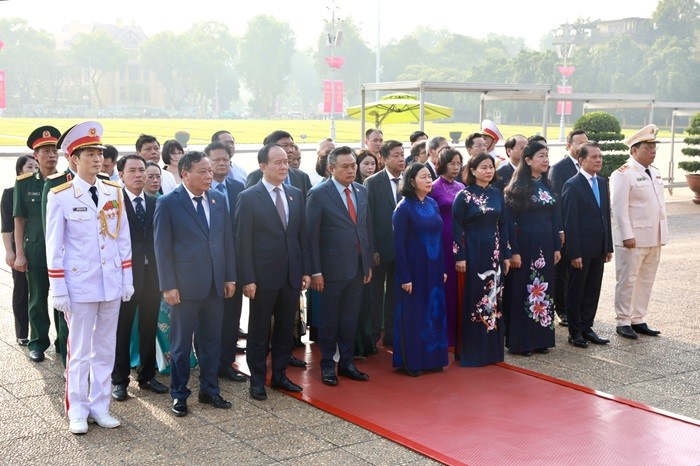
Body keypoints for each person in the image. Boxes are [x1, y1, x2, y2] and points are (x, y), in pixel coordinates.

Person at [45, 121, 134, 434]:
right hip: (79, 284)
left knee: (105, 348)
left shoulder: (114, 191)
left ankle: (100, 405)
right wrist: (58, 288)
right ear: (74, 159)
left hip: (110, 282)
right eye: (90, 153)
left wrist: (127, 279)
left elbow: (122, 239)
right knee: (80, 350)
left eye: (99, 152)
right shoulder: (61, 196)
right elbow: (54, 247)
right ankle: (78, 410)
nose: (98, 159)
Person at [154, 151, 237, 417]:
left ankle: (209, 390)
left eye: (210, 171)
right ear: (185, 173)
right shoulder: (168, 202)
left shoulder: (218, 199)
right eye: (202, 171)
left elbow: (226, 242)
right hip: (185, 288)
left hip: (214, 285)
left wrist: (229, 276)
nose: (209, 176)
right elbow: (162, 248)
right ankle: (179, 394)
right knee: (180, 346)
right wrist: (168, 285)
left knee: (212, 341)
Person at [234, 143, 311, 401]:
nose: (283, 166)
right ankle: (257, 380)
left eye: (286, 161)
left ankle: (279, 374)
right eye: (277, 162)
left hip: (290, 276)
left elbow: (301, 236)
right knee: (258, 332)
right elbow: (242, 242)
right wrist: (248, 278)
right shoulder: (248, 197)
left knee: (284, 331)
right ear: (262, 166)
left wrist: (305, 271)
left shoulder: (295, 194)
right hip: (262, 278)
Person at [306, 146, 373, 386]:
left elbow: (365, 228)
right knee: (330, 319)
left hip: (357, 267)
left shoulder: (361, 191)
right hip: (330, 270)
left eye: (353, 165)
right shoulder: (319, 194)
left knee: (349, 318)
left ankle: (346, 362)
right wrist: (315, 271)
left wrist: (367, 263)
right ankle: (327, 365)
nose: (350, 170)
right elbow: (311, 236)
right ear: (331, 168)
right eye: (344, 166)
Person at [111, 154, 168, 402]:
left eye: (142, 170)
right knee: (122, 329)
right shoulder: (113, 204)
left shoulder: (157, 203)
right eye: (132, 170)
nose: (138, 175)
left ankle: (146, 375)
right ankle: (119, 380)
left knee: (148, 325)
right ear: (120, 174)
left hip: (152, 275)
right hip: (124, 276)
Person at [453, 153, 511, 366]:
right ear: (473, 170)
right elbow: (456, 227)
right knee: (474, 297)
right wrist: (460, 256)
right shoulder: (464, 195)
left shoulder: (498, 194)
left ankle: (491, 351)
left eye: (491, 167)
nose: (489, 171)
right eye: (484, 167)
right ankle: (473, 351)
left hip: (494, 251)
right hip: (473, 250)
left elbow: (503, 225)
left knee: (494, 298)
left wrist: (506, 254)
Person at [504, 141, 561, 356]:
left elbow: (554, 219)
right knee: (523, 291)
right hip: (525, 246)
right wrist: (514, 251)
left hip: (546, 246)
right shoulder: (516, 189)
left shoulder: (548, 185)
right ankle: (521, 342)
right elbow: (509, 223)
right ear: (527, 160)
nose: (546, 160)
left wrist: (556, 246)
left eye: (547, 155)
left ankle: (541, 338)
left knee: (544, 290)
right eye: (541, 156)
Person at [610, 124, 667, 340]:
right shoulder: (623, 174)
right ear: (634, 150)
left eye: (654, 148)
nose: (652, 151)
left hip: (654, 236)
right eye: (648, 147)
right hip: (633, 238)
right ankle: (623, 320)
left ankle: (638, 318)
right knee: (628, 279)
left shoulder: (655, 172)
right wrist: (627, 235)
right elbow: (619, 207)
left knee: (646, 279)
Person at [392, 163, 448, 376]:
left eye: (429, 176)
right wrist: (405, 276)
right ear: (411, 180)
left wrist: (442, 267)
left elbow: (439, 237)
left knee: (433, 311)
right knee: (415, 313)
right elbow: (399, 245)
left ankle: (434, 358)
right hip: (414, 269)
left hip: (434, 267)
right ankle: (413, 362)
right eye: (423, 177)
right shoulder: (404, 208)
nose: (428, 180)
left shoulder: (433, 204)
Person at [14, 125, 60, 362]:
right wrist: (19, 253)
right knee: (37, 299)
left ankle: (63, 342)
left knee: (63, 299)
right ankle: (38, 342)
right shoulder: (24, 184)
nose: (51, 155)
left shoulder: (66, 181)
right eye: (45, 151)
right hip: (36, 248)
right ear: (36, 155)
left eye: (54, 151)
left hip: (63, 251)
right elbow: (19, 220)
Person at [561, 142, 613, 348]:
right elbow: (570, 222)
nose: (598, 160)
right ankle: (575, 331)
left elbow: (605, 217)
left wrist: (608, 246)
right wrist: (574, 252)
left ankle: (587, 327)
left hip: (598, 247)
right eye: (593, 157)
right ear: (581, 160)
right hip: (580, 249)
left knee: (593, 289)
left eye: (600, 156)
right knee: (576, 290)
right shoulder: (572, 185)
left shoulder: (601, 182)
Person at [204, 141, 247, 383]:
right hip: (208, 266)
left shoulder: (238, 187)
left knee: (232, 317)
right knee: (210, 319)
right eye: (216, 159)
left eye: (226, 160)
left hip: (234, 263)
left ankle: (226, 363)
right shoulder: (202, 189)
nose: (222, 163)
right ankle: (208, 364)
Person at [364, 140, 406, 348]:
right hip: (380, 249)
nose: (401, 159)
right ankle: (372, 336)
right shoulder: (372, 182)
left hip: (403, 249)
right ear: (384, 158)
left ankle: (391, 334)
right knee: (375, 295)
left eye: (402, 154)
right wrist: (373, 249)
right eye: (396, 155)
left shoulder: (408, 180)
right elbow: (368, 218)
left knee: (395, 294)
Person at [550, 129, 588, 328]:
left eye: (585, 142)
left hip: (583, 229)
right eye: (578, 142)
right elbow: (556, 202)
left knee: (579, 270)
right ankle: (561, 309)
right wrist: (560, 230)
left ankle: (576, 307)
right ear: (569, 145)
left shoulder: (588, 167)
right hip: (566, 228)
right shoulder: (559, 168)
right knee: (563, 271)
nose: (582, 145)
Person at [428, 148, 464, 348]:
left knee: (459, 286)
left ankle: (460, 330)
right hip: (441, 239)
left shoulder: (462, 186)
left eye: (459, 163)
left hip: (460, 239)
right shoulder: (433, 187)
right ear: (442, 164)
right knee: (445, 285)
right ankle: (443, 331)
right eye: (452, 163)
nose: (456, 167)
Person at [2, 155, 37, 346]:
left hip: (39, 247)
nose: (33, 170)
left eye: (35, 166)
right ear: (19, 171)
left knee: (39, 293)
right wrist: (10, 251)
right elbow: (7, 226)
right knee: (22, 291)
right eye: (29, 166)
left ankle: (41, 333)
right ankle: (22, 332)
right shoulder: (10, 193)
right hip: (20, 249)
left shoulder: (45, 190)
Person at [245, 131, 312, 199]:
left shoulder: (302, 177)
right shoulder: (255, 177)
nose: (290, 150)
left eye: (292, 146)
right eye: (285, 146)